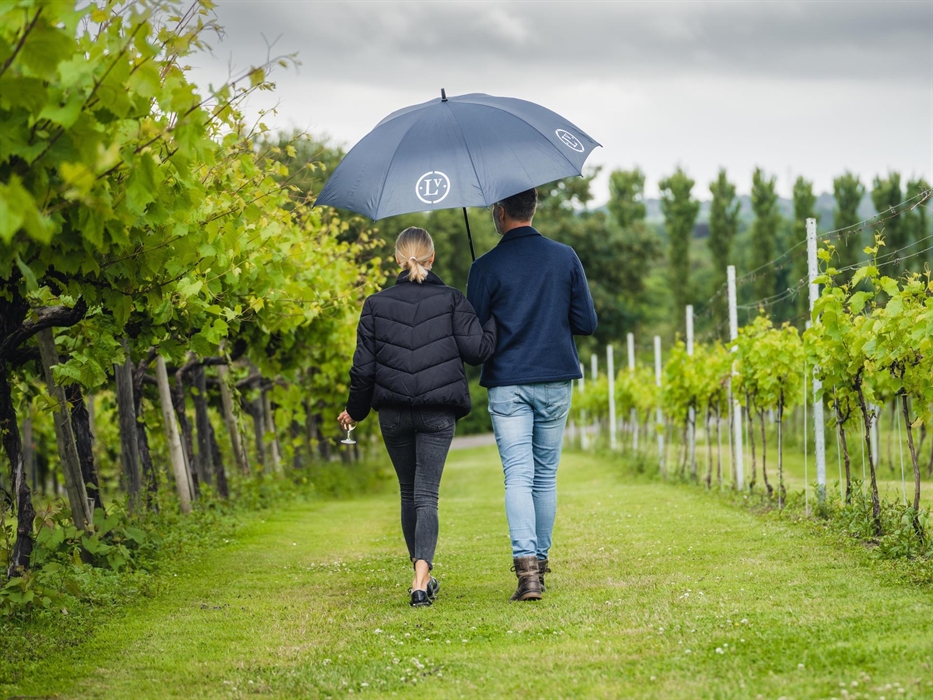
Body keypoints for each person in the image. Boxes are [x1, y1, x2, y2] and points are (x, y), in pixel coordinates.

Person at [339, 226, 497, 608]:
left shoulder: (375, 304)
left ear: (396, 258)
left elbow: (363, 370)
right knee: (427, 494)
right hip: (438, 412)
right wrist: (490, 317)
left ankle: (420, 576)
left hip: (393, 413)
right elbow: (478, 351)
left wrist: (355, 411)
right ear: (433, 258)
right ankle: (421, 581)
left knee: (408, 492)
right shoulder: (452, 299)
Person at [467, 188, 597, 602]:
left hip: (507, 381)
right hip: (555, 377)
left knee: (518, 475)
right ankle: (539, 564)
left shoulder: (484, 266)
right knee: (545, 475)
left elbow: (473, 336)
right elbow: (587, 322)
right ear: (533, 209)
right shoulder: (565, 257)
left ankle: (528, 576)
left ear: (500, 212)